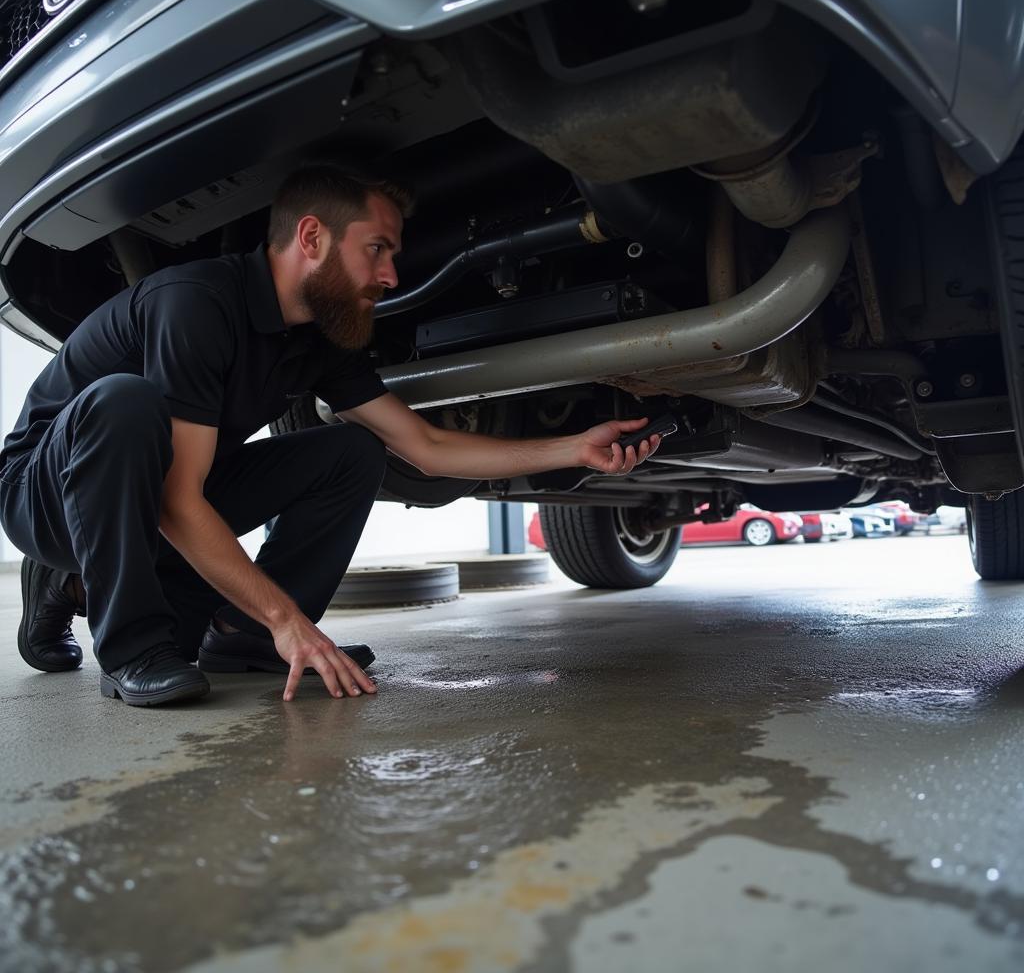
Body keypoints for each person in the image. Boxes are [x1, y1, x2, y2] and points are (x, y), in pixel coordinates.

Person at [0, 166, 662, 707]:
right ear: (311, 237)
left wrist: (571, 448)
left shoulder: (319, 338)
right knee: (126, 401)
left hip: (165, 488)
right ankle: (120, 636)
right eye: (377, 248)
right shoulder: (196, 303)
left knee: (352, 450)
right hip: (49, 494)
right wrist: (290, 619)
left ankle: (244, 640)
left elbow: (425, 447)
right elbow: (176, 503)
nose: (392, 275)